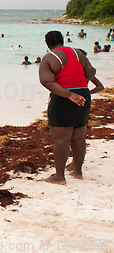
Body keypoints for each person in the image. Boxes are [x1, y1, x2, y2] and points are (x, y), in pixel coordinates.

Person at [39, 30, 96, 185]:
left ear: (47, 43)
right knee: (78, 136)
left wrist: (69, 94)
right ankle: (77, 171)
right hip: (84, 93)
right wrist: (80, 85)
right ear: (62, 40)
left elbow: (48, 82)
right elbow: (91, 72)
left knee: (61, 138)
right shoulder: (78, 53)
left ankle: (59, 176)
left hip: (64, 96)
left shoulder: (50, 57)